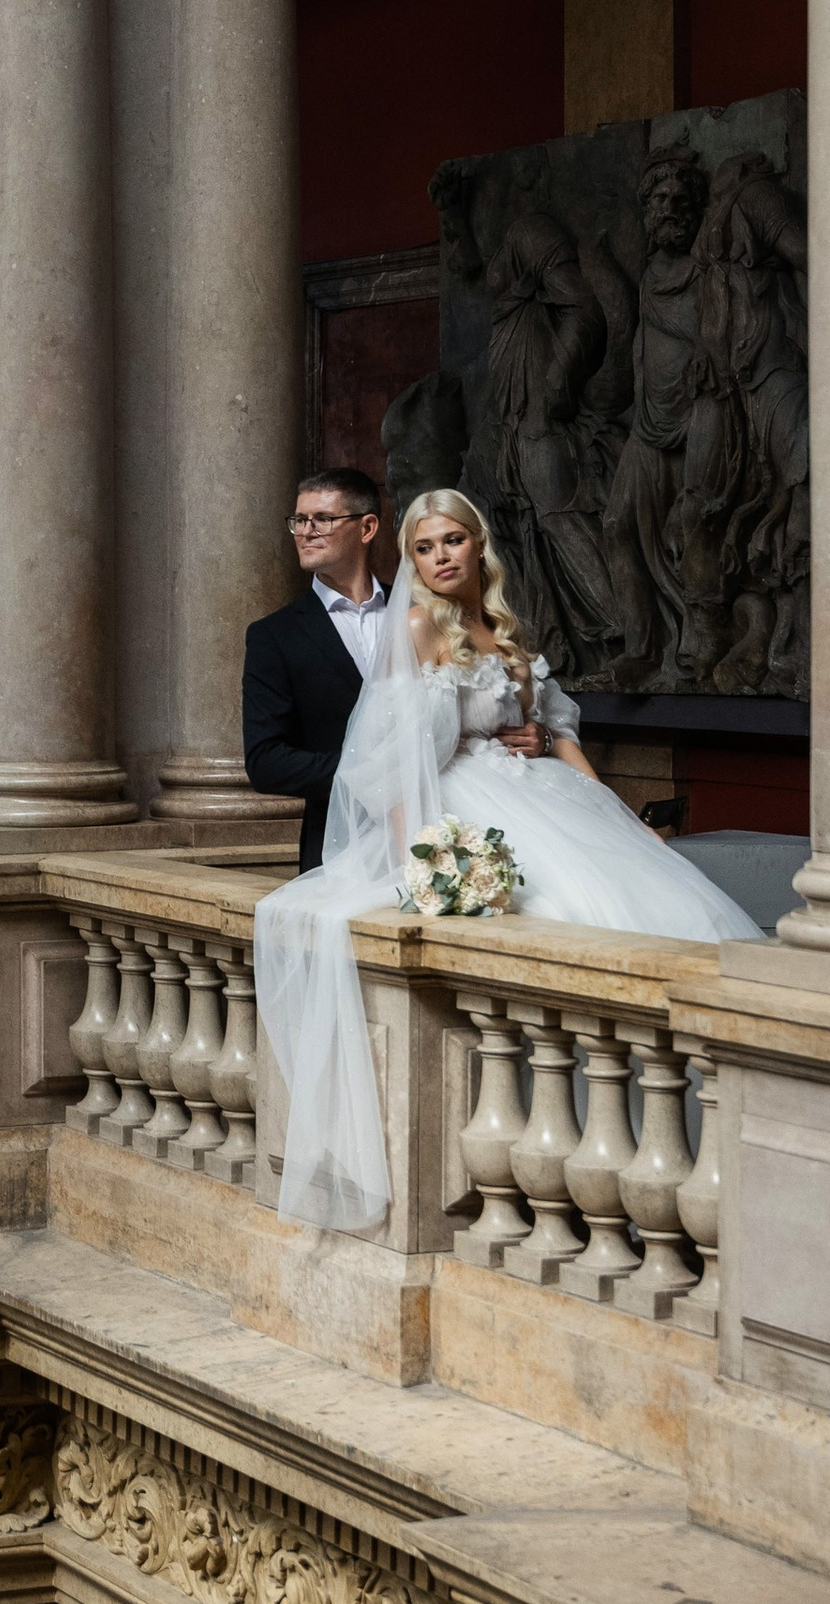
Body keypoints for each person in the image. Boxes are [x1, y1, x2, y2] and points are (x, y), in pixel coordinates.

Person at [251, 486, 762, 1232]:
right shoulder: (419, 627)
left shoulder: (509, 633)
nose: (439, 557)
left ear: (477, 544)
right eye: (424, 547)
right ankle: (584, 1152)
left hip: (552, 800)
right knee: (559, 924)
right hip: (468, 807)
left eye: (452, 541)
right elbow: (394, 760)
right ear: (410, 558)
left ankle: (710, 1148)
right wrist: (417, 861)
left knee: (661, 915)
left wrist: (625, 818)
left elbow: (559, 736)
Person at [242, 468, 390, 868]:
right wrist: (371, 773)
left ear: (367, 527)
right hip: (339, 853)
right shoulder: (274, 636)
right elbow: (265, 762)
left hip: (442, 834)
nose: (305, 532)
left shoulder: (418, 614)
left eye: (322, 519)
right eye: (299, 520)